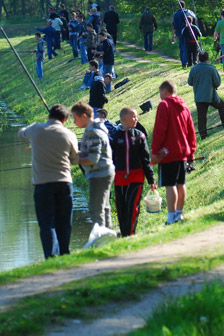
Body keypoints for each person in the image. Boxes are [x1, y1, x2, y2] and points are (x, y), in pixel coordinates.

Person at [17, 104, 78, 259]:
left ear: (49, 116)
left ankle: (50, 256)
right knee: (64, 222)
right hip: (64, 183)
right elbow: (75, 160)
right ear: (64, 120)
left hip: (42, 185)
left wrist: (35, 126)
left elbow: (21, 133)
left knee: (47, 223)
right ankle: (64, 253)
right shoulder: (69, 134)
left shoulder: (36, 129)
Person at [151, 81, 197, 225]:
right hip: (183, 151)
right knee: (181, 183)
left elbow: (160, 130)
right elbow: (191, 131)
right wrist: (191, 152)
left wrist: (154, 151)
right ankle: (179, 213)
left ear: (164, 91)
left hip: (168, 152)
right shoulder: (184, 106)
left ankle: (170, 217)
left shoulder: (164, 105)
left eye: (160, 93)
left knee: (170, 184)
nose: (160, 97)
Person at [109, 107, 155, 237]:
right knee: (121, 207)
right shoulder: (113, 138)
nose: (136, 119)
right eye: (133, 117)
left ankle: (130, 234)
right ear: (124, 119)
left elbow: (146, 159)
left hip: (136, 176)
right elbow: (109, 159)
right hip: (119, 177)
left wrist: (151, 179)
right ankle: (124, 233)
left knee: (132, 205)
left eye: (136, 117)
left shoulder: (139, 136)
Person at [72, 101, 115, 229]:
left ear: (84, 116)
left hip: (99, 173)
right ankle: (108, 235)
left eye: (75, 118)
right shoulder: (96, 128)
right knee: (105, 207)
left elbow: (92, 158)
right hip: (105, 171)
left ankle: (102, 237)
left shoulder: (93, 132)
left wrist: (74, 158)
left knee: (96, 210)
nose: (74, 122)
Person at [187, 51, 224, 139]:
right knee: (222, 106)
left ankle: (203, 135)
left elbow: (190, 82)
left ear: (198, 58)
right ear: (208, 58)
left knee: (201, 117)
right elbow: (217, 82)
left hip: (199, 97)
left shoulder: (194, 69)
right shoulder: (211, 69)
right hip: (211, 96)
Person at [173, 1, 196, 68]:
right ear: (184, 5)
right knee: (186, 47)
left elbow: (174, 25)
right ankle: (185, 62)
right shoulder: (186, 12)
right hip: (186, 32)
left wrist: (174, 35)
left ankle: (183, 62)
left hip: (179, 33)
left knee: (181, 48)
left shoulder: (175, 14)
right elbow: (193, 19)